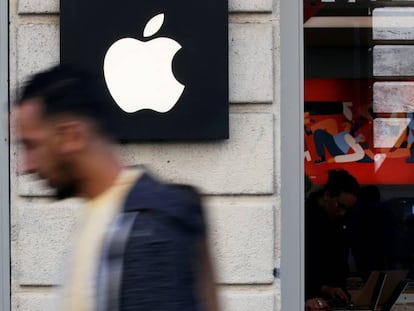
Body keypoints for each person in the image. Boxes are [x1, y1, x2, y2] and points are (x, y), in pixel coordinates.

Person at [13, 64, 219, 311]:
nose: (25, 166)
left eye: (32, 146)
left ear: (71, 137)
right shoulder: (104, 217)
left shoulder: (148, 228)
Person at [305, 169, 360, 309]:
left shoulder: (337, 222)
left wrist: (334, 287)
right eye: (340, 206)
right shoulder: (304, 219)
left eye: (347, 209)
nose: (342, 213)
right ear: (327, 195)